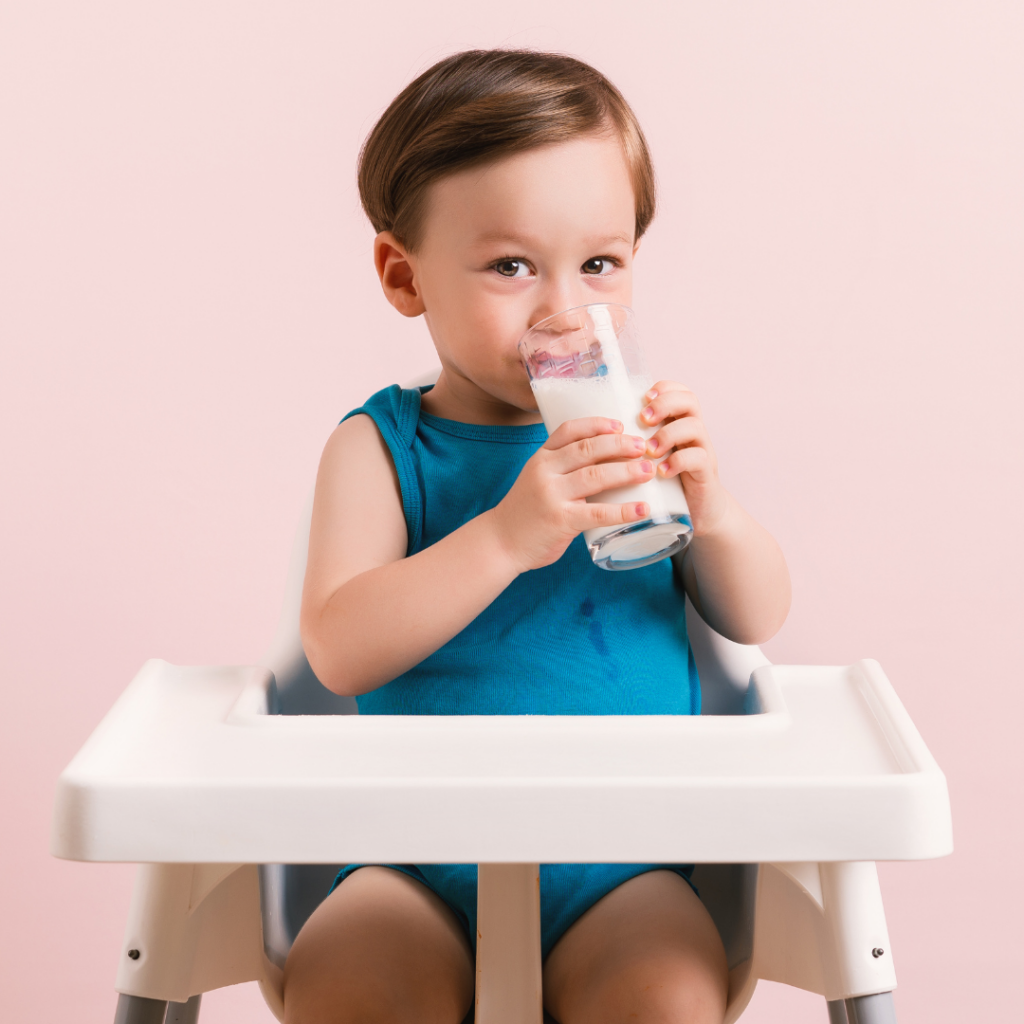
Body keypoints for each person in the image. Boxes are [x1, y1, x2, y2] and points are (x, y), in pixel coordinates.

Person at [286, 49, 790, 1024]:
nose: (565, 308)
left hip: (618, 858)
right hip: (413, 853)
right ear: (404, 275)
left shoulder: (634, 439)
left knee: (666, 999)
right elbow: (339, 648)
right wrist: (511, 532)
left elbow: (756, 613)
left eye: (599, 263)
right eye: (511, 266)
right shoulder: (380, 447)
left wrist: (713, 509)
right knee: (348, 993)